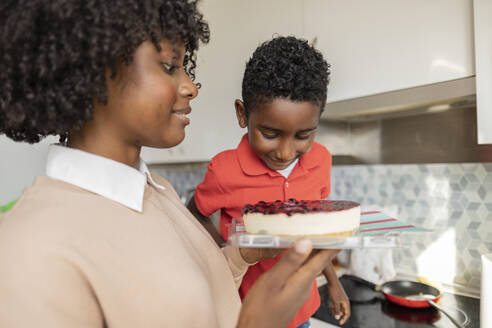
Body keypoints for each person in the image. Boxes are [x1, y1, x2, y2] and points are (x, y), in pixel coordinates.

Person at [0, 1, 339, 327]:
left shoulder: (159, 191)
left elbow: (195, 297)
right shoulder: (27, 250)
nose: (190, 87)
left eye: (184, 67)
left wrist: (245, 255)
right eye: (168, 66)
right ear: (94, 69)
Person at [187, 36, 351, 327]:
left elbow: (318, 232)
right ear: (242, 114)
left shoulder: (321, 159)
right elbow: (195, 212)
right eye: (271, 134)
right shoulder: (225, 170)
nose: (286, 153)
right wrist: (226, 255)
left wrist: (334, 283)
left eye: (303, 135)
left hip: (302, 309)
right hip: (249, 314)